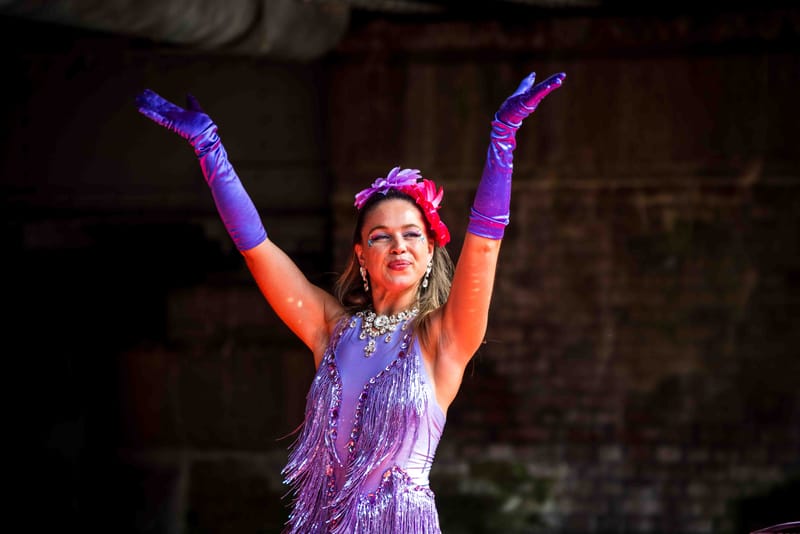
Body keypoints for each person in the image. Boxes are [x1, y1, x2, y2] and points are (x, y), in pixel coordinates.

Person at [135, 69, 565, 533]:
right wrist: (210, 151)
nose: (398, 246)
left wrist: (503, 139)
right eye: (381, 237)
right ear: (362, 255)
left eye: (411, 235)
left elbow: (483, 246)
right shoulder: (330, 329)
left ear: (429, 253)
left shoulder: (445, 338)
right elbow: (255, 247)